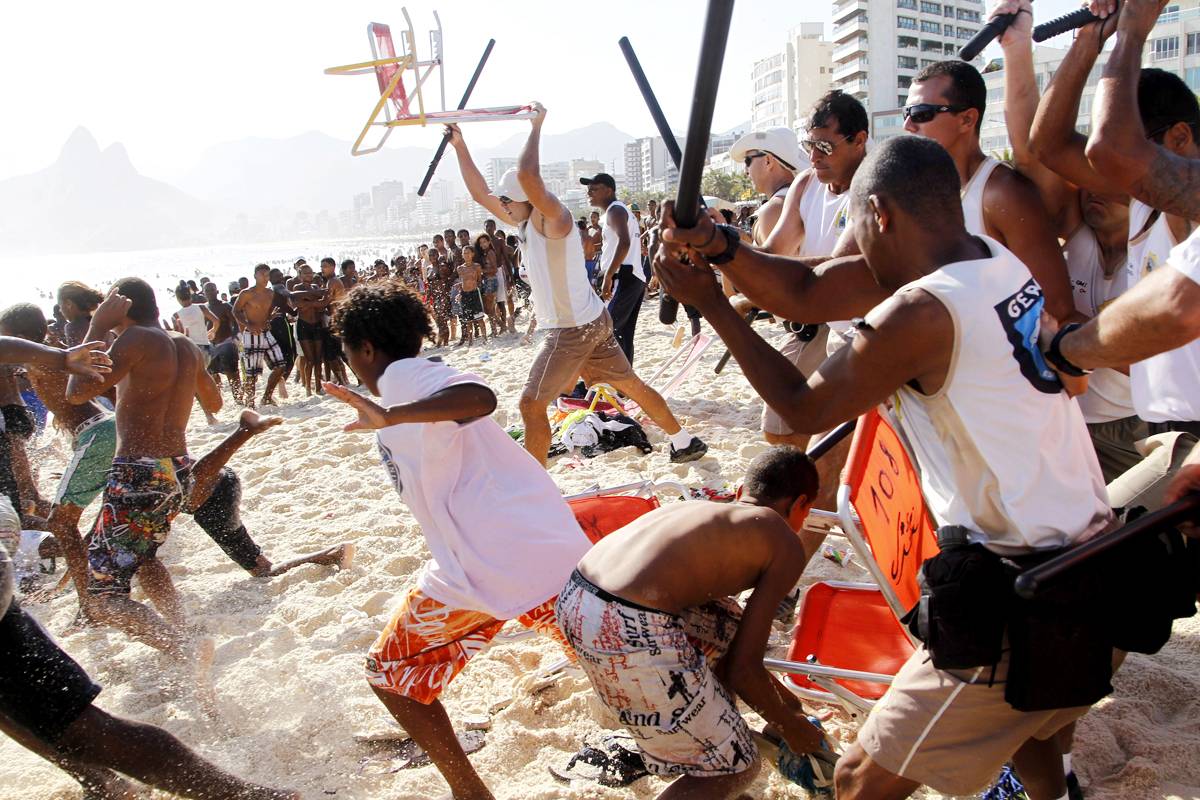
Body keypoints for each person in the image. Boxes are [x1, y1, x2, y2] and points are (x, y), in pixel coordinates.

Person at [655, 135, 1113, 800]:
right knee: (1028, 723)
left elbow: (802, 405)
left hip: (1024, 589)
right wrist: (722, 245)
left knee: (858, 781)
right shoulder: (988, 258)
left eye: (854, 222)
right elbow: (808, 289)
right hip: (1091, 555)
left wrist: (716, 306)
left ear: (879, 216)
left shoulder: (921, 312)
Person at [323, 281, 590, 800]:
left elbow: (480, 398)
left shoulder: (407, 379)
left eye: (349, 352)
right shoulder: (408, 384)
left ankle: (469, 792)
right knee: (607, 655)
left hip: (486, 567)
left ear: (366, 349)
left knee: (390, 673)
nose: (351, 363)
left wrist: (391, 416)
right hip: (540, 556)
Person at [557, 446, 830, 798]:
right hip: (624, 618)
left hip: (576, 596)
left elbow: (732, 646)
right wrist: (790, 727)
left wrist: (789, 709)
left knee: (728, 622)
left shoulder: (705, 511)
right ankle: (711, 759)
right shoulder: (784, 542)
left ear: (741, 492)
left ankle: (711, 736)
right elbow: (744, 670)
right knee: (737, 765)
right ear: (801, 504)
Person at [447, 107, 708, 466]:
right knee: (630, 385)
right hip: (591, 321)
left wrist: (536, 126)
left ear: (528, 197)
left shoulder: (555, 219)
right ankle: (684, 441)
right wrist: (460, 145)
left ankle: (534, 482)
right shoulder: (523, 222)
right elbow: (480, 193)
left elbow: (527, 174)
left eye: (507, 200)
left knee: (530, 404)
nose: (501, 205)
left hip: (571, 329)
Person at [1038, 0, 1200, 512]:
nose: (1106, 173)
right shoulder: (1147, 201)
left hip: (1192, 436)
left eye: (1137, 143)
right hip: (1164, 429)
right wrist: (1090, 38)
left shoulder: (1190, 200)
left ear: (1179, 138)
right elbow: (1049, 144)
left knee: (1092, 547)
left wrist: (1131, 31)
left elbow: (1109, 150)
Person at [992, 0, 1138, 483]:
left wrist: (1071, 341)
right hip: (1071, 417)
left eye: (1105, 172)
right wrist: (1016, 49)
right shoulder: (1080, 226)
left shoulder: (1169, 235)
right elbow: (1033, 154)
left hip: (1144, 426)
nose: (1091, 184)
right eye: (1086, 171)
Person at [61, 282, 223, 668]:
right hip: (175, 469)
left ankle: (184, 651)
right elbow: (215, 401)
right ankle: (183, 629)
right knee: (145, 557)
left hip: (138, 471)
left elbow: (76, 392)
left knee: (103, 596)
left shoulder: (135, 339)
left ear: (123, 307)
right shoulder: (185, 345)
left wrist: (97, 326)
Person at [903, 60, 1075, 324]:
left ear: (967, 119)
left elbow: (1056, 306)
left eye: (921, 113)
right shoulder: (923, 192)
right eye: (906, 112)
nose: (908, 125)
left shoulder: (1002, 194)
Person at [583, 172, 646, 364]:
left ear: (609, 190)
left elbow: (624, 243)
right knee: (622, 334)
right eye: (588, 190)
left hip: (623, 276)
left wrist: (608, 276)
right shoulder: (619, 211)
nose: (589, 193)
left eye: (594, 189)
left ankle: (609, 376)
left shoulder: (615, 211)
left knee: (604, 331)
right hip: (633, 277)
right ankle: (624, 379)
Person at [233, 264, 287, 407]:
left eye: (267, 275)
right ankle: (250, 402)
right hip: (251, 334)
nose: (265, 277)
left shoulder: (270, 293)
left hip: (266, 332)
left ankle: (267, 397)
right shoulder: (247, 293)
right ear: (255, 276)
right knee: (252, 372)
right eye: (262, 274)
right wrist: (248, 324)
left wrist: (270, 318)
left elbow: (265, 313)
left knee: (280, 365)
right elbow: (235, 311)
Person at [203, 280, 243, 405]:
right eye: (207, 290)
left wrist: (235, 336)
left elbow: (236, 322)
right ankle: (218, 400)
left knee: (232, 373)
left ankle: (238, 399)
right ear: (204, 293)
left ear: (217, 291)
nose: (210, 292)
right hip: (211, 345)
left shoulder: (225, 306)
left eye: (212, 290)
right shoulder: (204, 308)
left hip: (226, 342)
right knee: (213, 374)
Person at [318, 258, 350, 386]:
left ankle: (344, 381)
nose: (322, 269)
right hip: (336, 319)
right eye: (321, 266)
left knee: (333, 354)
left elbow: (325, 302)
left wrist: (307, 303)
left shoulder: (332, 282)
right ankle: (345, 380)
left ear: (333, 267)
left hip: (335, 320)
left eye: (325, 266)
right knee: (337, 353)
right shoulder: (332, 281)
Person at [56, 282, 105, 347]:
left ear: (68, 303)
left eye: (60, 305)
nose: (60, 310)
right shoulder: (100, 322)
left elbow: (78, 352)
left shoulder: (73, 327)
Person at [457, 245, 487, 347]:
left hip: (474, 293)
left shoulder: (476, 266)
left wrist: (478, 289)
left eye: (468, 253)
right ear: (462, 255)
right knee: (468, 321)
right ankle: (470, 341)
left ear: (472, 254)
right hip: (464, 295)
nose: (466, 255)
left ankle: (484, 338)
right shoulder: (460, 268)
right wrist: (459, 293)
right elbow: (462, 282)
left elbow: (479, 280)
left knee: (479, 318)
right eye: (464, 253)